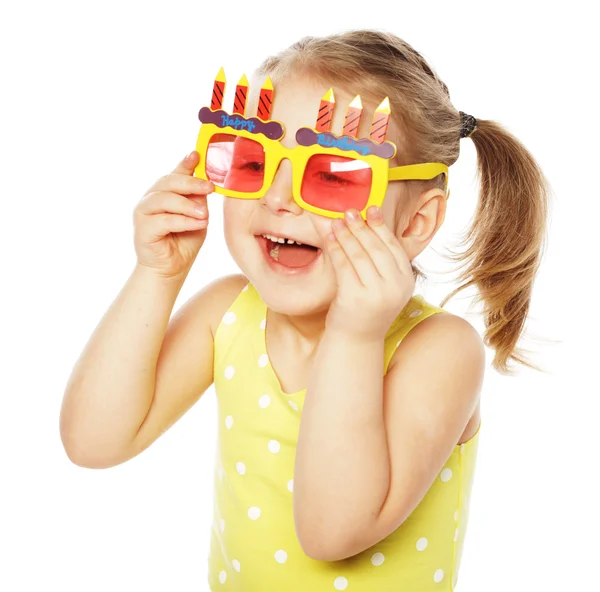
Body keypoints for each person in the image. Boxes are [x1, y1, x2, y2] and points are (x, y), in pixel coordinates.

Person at [59, 29, 550, 591]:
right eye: (253, 161)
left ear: (415, 222)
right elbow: (93, 443)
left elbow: (332, 531)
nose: (279, 197)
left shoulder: (439, 351)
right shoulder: (230, 313)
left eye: (334, 175)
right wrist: (158, 274)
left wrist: (356, 336)